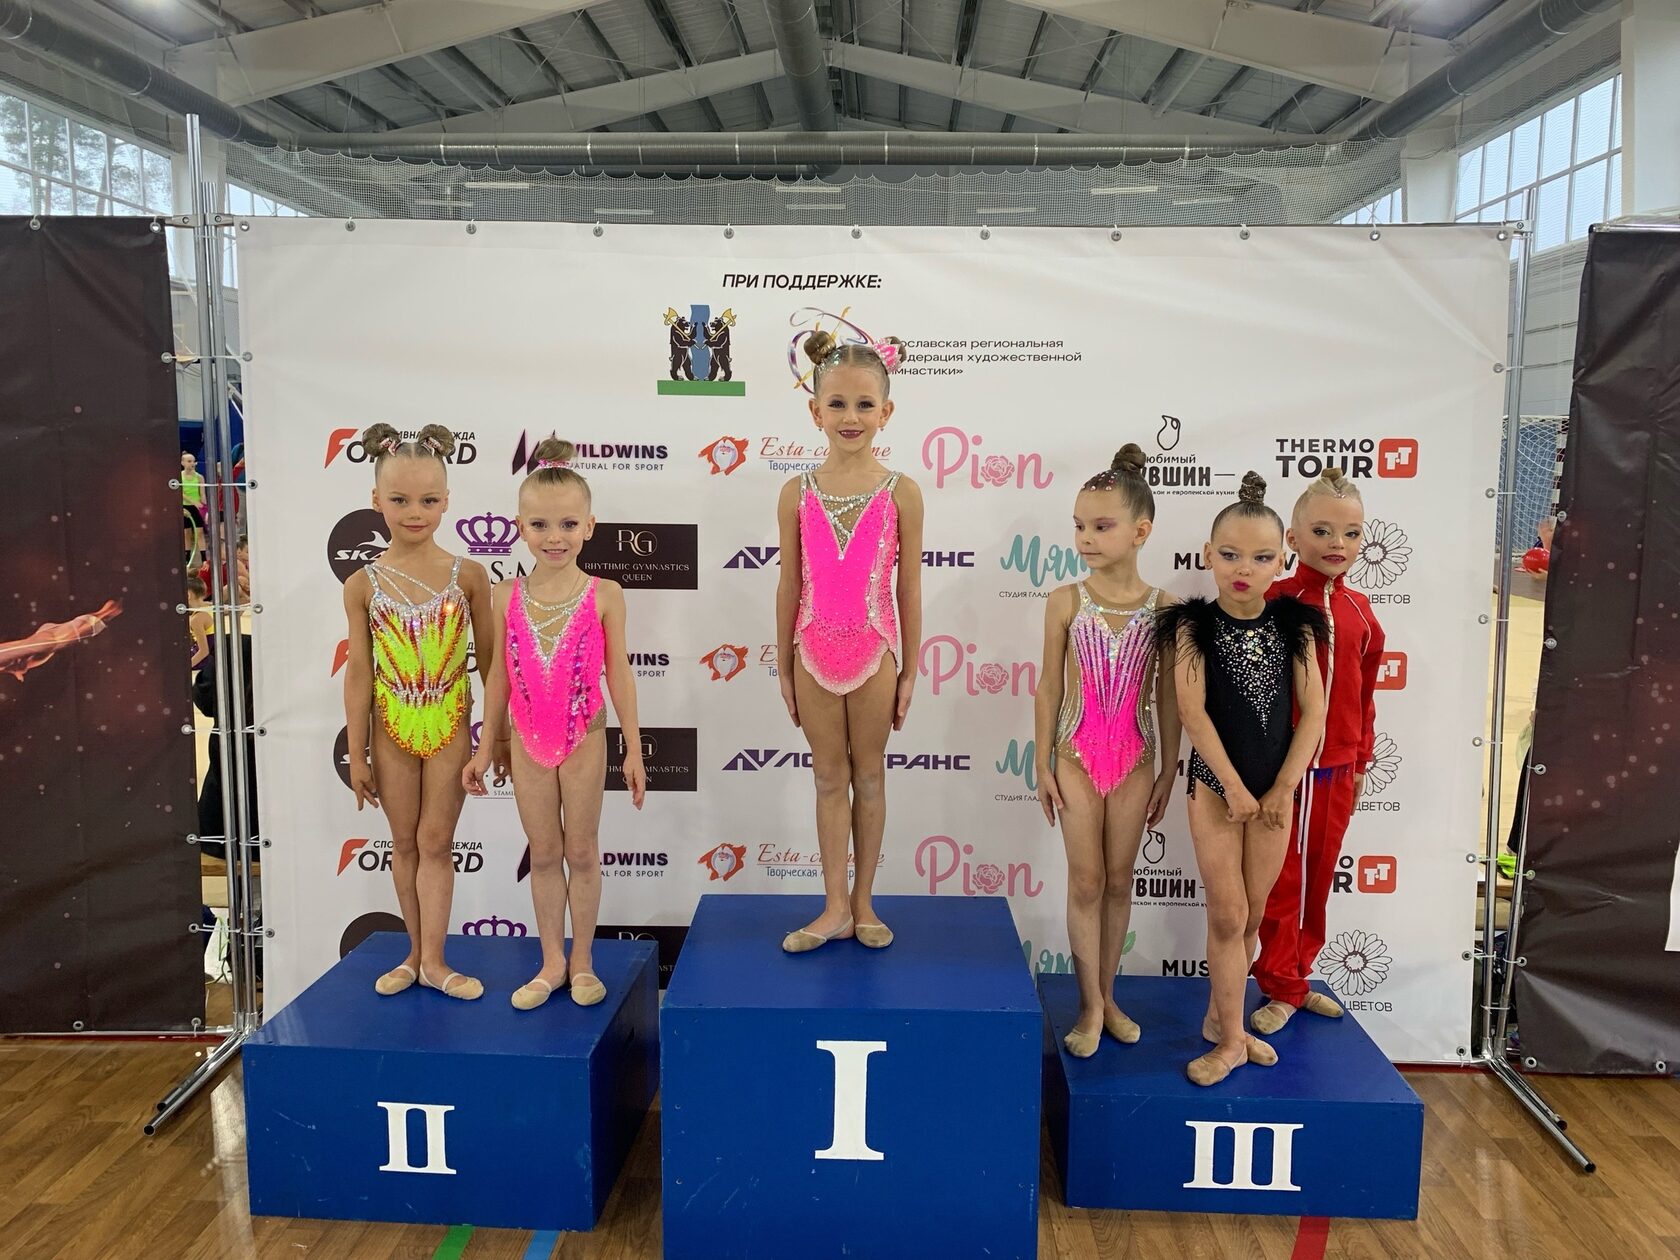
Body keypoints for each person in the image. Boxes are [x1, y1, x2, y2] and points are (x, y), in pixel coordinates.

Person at [1156, 473, 1326, 1086]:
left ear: (1282, 560)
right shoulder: (1191, 627)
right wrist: (1230, 783)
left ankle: (1218, 1015)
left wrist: (1282, 788)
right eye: (1229, 555)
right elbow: (1193, 712)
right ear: (1208, 555)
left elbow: (1314, 712)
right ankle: (1232, 1040)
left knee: (1251, 916)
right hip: (1215, 788)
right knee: (1227, 916)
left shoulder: (1297, 627)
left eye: (1259, 558)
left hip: (1275, 792)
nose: (1243, 569)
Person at [465, 438, 646, 1009]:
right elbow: (498, 676)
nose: (555, 537)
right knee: (543, 853)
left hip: (585, 736)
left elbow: (619, 673)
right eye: (540, 525)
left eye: (568, 524)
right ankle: (551, 962)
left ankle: (584, 961)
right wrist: (486, 745)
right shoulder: (505, 595)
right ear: (520, 526)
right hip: (526, 740)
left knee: (583, 851)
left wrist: (634, 748)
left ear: (589, 525)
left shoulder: (605, 594)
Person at [776, 330, 922, 952]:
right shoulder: (796, 492)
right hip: (812, 650)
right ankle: (834, 904)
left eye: (864, 404)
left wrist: (909, 669)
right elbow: (790, 583)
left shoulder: (902, 492)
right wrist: (784, 666)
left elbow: (908, 588)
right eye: (836, 403)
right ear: (815, 411)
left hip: (875, 651)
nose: (850, 417)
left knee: (870, 775)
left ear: (886, 411)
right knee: (828, 778)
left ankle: (864, 903)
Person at [1035, 445, 1182, 1057]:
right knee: (1087, 879)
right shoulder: (1065, 600)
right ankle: (1088, 1005)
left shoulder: (1165, 608)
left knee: (1120, 880)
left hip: (1135, 759)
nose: (1086, 539)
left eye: (1101, 526)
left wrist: (1168, 770)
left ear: (1141, 532)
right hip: (1074, 756)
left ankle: (1109, 996)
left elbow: (1169, 698)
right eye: (1079, 526)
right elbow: (1049, 687)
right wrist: (1042, 762)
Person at [341, 423, 494, 1001]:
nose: (415, 513)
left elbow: (490, 665)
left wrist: (496, 737)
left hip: (450, 721)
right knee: (403, 842)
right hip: (391, 727)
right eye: (400, 500)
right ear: (376, 500)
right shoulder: (362, 583)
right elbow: (360, 671)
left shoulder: (468, 575)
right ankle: (414, 953)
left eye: (429, 501)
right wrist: (356, 750)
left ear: (447, 501)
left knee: (435, 840)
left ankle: (436, 959)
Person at [1251, 468, 1386, 1036]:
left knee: (1317, 878)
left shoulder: (1361, 611)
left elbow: (1365, 693)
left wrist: (1360, 760)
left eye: (1351, 534)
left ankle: (1297, 977)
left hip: (1336, 771)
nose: (1338, 544)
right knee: (1282, 880)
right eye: (1323, 531)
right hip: (1283, 770)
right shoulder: (1274, 601)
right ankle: (1279, 982)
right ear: (1293, 538)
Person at [186, 575, 212, 670]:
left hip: (202, 660)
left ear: (188, 595)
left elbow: (204, 651)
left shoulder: (197, 619)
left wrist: (185, 668)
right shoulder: (210, 607)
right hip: (210, 656)